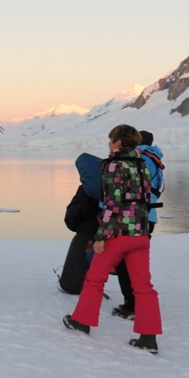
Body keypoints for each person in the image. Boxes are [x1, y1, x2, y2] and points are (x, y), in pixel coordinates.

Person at [63, 124, 162, 353]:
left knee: (95, 279)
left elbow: (113, 204)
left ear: (118, 142)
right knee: (144, 286)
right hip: (141, 233)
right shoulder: (143, 165)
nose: (109, 144)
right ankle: (149, 337)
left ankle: (82, 321)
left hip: (118, 234)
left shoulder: (114, 165)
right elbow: (144, 199)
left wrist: (101, 236)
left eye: (110, 140)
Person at [112, 130, 165, 319]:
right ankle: (140, 304)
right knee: (139, 263)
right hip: (150, 216)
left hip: (133, 217)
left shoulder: (137, 158)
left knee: (124, 262)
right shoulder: (155, 160)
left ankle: (131, 305)